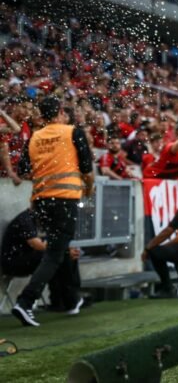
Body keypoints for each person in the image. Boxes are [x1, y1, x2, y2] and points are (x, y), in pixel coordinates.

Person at [12, 96, 94, 327]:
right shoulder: (72, 132)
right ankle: (26, 302)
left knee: (57, 251)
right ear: (59, 112)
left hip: (41, 201)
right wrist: (89, 189)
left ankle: (67, 300)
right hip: (65, 200)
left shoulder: (35, 136)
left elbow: (24, 170)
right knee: (55, 254)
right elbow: (86, 168)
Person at [1, 209, 82, 313]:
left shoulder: (36, 220)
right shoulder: (25, 220)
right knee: (57, 256)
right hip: (14, 263)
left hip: (26, 259)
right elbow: (36, 244)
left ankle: (66, 298)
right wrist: (64, 250)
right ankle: (69, 299)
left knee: (64, 256)